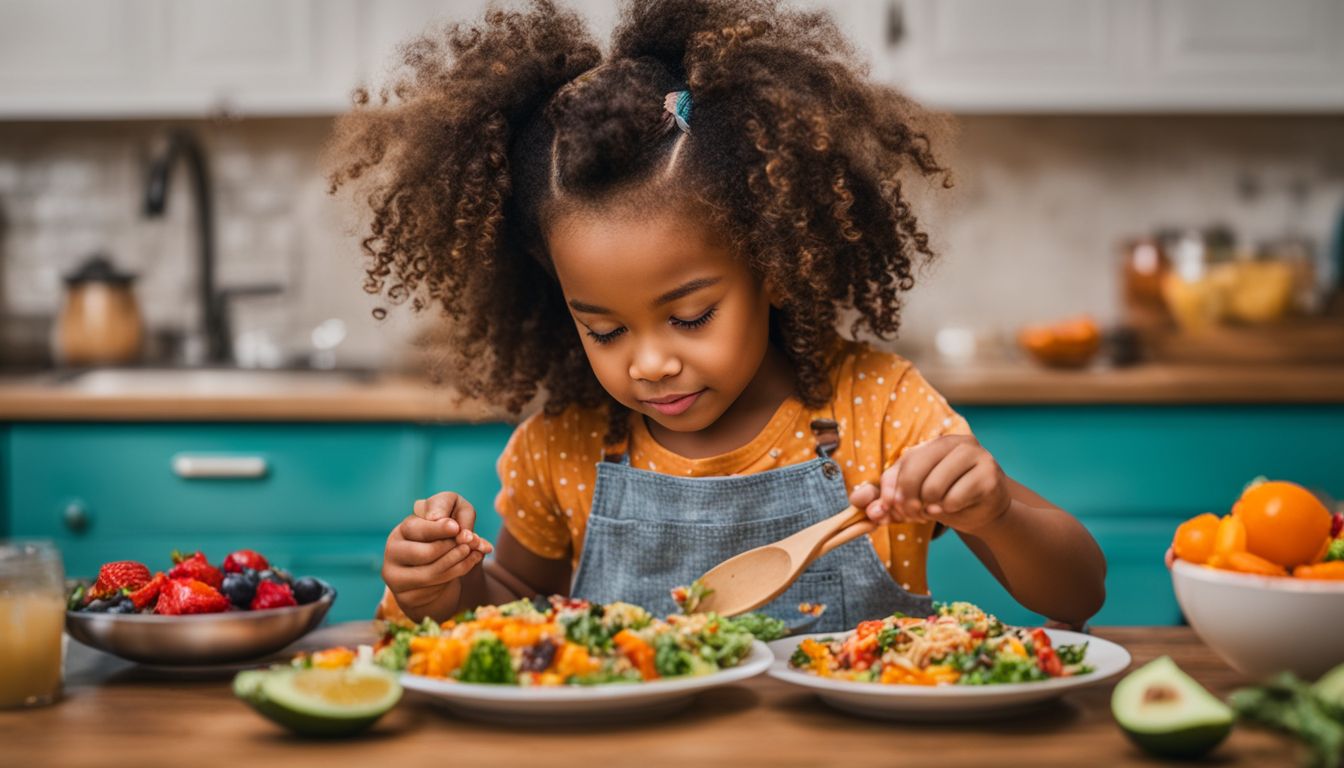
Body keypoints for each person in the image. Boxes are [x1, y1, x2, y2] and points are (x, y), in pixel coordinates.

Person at [329, 0, 1106, 631]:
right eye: (604, 329)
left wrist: (996, 509)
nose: (649, 362)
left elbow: (1078, 594)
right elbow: (515, 609)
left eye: (692, 316)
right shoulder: (563, 445)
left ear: (771, 264)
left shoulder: (880, 412)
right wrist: (446, 592)